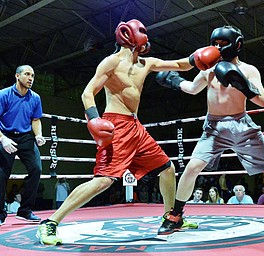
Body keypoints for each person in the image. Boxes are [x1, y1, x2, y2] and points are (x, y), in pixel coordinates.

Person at [36, 19, 221, 245]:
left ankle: (171, 216)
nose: (146, 37)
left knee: (167, 168)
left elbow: (181, 65)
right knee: (103, 181)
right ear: (128, 35)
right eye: (142, 31)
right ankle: (51, 223)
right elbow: (87, 93)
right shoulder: (111, 62)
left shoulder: (146, 63)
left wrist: (203, 55)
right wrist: (94, 119)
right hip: (116, 125)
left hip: (136, 127)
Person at [156, 25, 264, 235]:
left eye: (223, 44)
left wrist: (241, 83)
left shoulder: (249, 70)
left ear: (237, 45)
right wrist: (173, 80)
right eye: (215, 44)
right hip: (213, 127)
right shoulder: (209, 69)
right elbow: (192, 89)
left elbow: (262, 101)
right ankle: (176, 215)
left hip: (242, 126)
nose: (218, 48)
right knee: (192, 167)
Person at [0, 65, 46, 225]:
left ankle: (25, 211)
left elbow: (36, 119)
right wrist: (3, 139)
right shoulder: (3, 95)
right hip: (5, 135)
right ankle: (0, 213)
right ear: (17, 76)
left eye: (32, 75)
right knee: (1, 174)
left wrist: (38, 135)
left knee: (36, 169)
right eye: (27, 74)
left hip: (26, 137)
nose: (31, 78)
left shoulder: (35, 98)